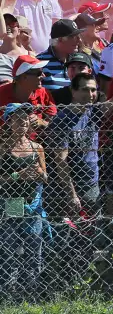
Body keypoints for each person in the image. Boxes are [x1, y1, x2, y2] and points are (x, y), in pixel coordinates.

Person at [0, 103, 48, 300]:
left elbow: (46, 177)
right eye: (18, 118)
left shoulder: (37, 148)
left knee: (33, 246)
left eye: (26, 118)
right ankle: (7, 290)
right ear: (8, 121)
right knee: (9, 247)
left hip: (32, 203)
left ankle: (31, 289)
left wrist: (38, 173)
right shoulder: (3, 148)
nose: (23, 121)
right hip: (11, 201)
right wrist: (17, 175)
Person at [48, 72, 103, 217]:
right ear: (73, 91)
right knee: (67, 233)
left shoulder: (93, 112)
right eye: (85, 89)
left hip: (91, 183)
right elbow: (61, 161)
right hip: (68, 187)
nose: (90, 94)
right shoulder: (61, 120)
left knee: (93, 232)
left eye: (93, 90)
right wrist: (71, 194)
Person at [0, 56, 58, 129]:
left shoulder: (43, 92)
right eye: (39, 73)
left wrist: (40, 122)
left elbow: (55, 124)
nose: (43, 76)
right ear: (24, 76)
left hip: (37, 140)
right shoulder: (2, 93)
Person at [37, 18, 81, 93]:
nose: (79, 40)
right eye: (74, 36)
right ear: (60, 40)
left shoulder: (79, 60)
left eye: (78, 36)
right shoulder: (39, 63)